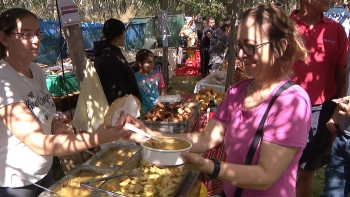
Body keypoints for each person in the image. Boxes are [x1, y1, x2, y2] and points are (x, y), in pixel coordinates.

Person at [127, 4, 312, 196]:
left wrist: (211, 167)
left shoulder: (292, 103)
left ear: (280, 47)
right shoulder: (237, 92)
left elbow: (265, 176)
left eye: (250, 46)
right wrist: (150, 135)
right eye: (239, 46)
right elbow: (207, 138)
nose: (241, 54)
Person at [0, 8, 132, 197]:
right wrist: (96, 138)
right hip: (17, 182)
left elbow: (41, 111)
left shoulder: (36, 71)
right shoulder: (3, 81)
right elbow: (38, 143)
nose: (36, 40)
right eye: (26, 34)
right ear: (4, 38)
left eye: (38, 33)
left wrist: (54, 124)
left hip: (43, 171)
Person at [289, 0, 348, 196]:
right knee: (279, 170)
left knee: (306, 172)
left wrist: (335, 116)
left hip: (320, 113)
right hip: (285, 110)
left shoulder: (336, 31)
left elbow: (341, 79)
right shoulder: (284, 27)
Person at [93, 18, 141, 105]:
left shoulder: (107, 52)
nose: (125, 36)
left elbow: (119, 74)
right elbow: (116, 89)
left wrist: (131, 69)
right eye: (123, 33)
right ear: (118, 35)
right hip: (121, 109)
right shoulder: (109, 56)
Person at [134, 49, 166, 114]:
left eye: (153, 61)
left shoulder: (158, 74)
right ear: (140, 64)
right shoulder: (134, 77)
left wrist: (163, 104)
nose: (153, 64)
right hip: (143, 111)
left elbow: (163, 91)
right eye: (149, 62)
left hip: (158, 109)